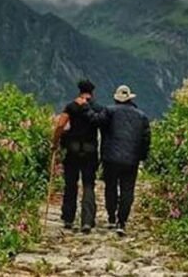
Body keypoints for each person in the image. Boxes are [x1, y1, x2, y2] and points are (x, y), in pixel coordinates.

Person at [98, 85, 150, 236]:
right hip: (131, 160)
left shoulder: (109, 111)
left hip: (110, 158)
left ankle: (111, 218)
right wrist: (141, 156)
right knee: (128, 190)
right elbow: (146, 139)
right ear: (130, 99)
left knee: (111, 187)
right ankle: (122, 221)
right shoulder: (142, 116)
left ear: (116, 99)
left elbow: (97, 122)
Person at [52, 79, 103, 233]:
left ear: (79, 91)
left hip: (73, 150)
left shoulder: (71, 106)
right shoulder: (96, 108)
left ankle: (68, 218)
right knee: (88, 184)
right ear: (92, 92)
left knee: (71, 184)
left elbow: (61, 124)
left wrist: (55, 142)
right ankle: (87, 221)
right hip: (90, 150)